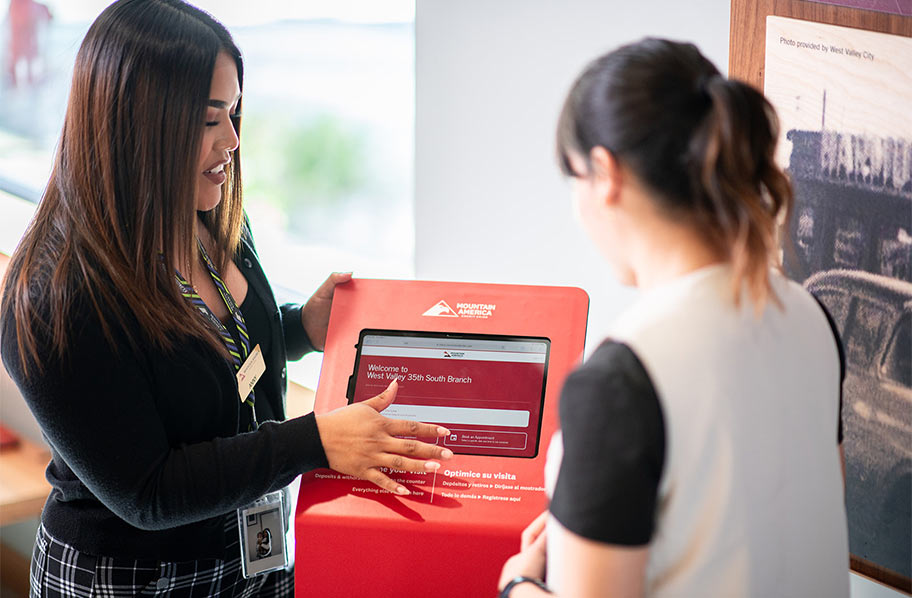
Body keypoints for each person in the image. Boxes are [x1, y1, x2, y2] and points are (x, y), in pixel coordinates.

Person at [0, 1, 451, 596]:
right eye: (211, 120)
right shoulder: (53, 296)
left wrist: (301, 329)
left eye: (234, 114)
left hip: (249, 547)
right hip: (135, 575)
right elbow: (147, 490)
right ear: (139, 124)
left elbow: (211, 360)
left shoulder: (207, 219)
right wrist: (316, 441)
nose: (233, 141)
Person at [497, 38, 849, 597]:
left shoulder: (619, 383)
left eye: (573, 179)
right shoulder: (813, 319)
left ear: (605, 174)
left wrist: (518, 583)